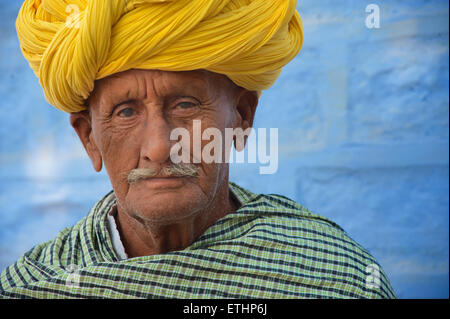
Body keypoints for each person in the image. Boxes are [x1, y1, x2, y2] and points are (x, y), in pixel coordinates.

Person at [0, 0, 396, 298]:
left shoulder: (332, 275)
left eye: (185, 105)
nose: (159, 147)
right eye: (125, 112)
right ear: (89, 137)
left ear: (241, 116)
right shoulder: (34, 286)